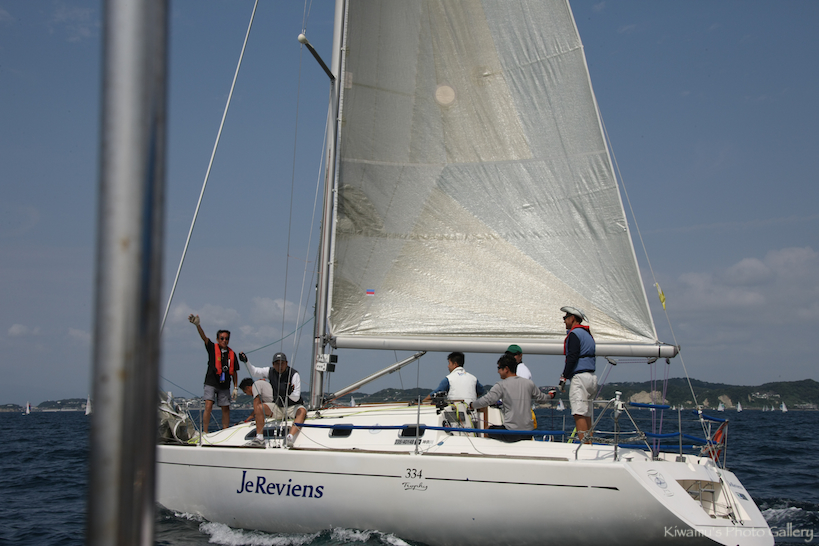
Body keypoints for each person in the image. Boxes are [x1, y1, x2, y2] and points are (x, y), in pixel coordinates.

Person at [470, 354, 554, 442]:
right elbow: (542, 399)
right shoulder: (529, 383)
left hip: (511, 432)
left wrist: (472, 405)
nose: (498, 371)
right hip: (528, 433)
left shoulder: (501, 385)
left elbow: (487, 400)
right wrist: (550, 395)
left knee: (487, 430)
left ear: (506, 369)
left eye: (499, 368)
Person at [243, 351, 307, 448]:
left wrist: (288, 393)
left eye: (282, 363)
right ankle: (259, 438)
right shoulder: (270, 371)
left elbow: (296, 397)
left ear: (286, 363)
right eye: (277, 363)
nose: (280, 366)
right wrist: (246, 361)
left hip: (292, 407)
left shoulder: (294, 374)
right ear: (273, 364)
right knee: (259, 408)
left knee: (302, 411)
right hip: (278, 407)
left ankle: (290, 437)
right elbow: (254, 372)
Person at [189, 314, 240, 434]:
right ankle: (205, 432)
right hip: (211, 382)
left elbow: (234, 372)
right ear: (218, 339)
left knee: (226, 408)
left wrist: (235, 387)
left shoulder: (232, 354)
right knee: (208, 405)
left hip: (224, 385)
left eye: (226, 338)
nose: (224, 340)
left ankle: (225, 431)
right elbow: (204, 338)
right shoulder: (212, 347)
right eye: (222, 338)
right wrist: (197, 325)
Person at [559, 306, 597, 442]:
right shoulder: (587, 334)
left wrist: (564, 377)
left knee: (579, 413)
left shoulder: (574, 334)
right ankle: (589, 444)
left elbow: (572, 357)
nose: (564, 320)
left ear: (573, 318)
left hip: (580, 378)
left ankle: (584, 446)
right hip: (591, 377)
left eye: (565, 318)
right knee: (587, 414)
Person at [239, 377, 275, 447]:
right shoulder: (261, 384)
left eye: (245, 392)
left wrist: (256, 419)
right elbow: (258, 409)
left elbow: (256, 402)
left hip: (274, 408)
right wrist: (247, 420)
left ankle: (259, 438)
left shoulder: (256, 385)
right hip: (273, 406)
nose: (247, 394)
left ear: (248, 388)